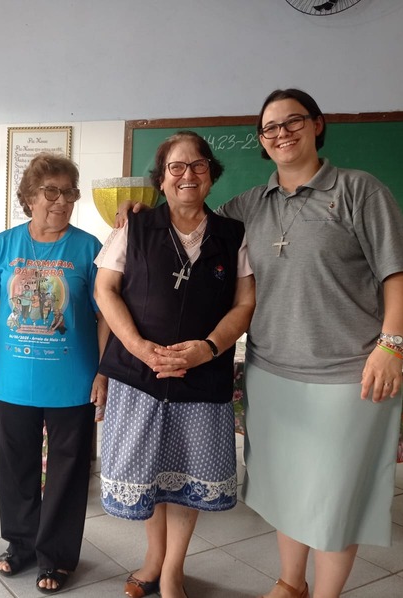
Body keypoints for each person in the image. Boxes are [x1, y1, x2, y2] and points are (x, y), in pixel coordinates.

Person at [119, 89, 403, 598]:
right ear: (261, 139)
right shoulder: (248, 206)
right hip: (271, 370)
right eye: (270, 127)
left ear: (317, 124)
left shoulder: (358, 190)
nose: (282, 133)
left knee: (335, 497)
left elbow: (400, 271)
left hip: (347, 373)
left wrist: (390, 346)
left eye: (293, 121)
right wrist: (142, 209)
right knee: (285, 489)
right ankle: (290, 582)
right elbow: (189, 216)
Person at [96, 131, 255, 598]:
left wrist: (208, 347)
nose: (188, 175)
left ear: (211, 175)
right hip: (139, 376)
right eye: (176, 167)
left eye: (198, 165)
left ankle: (172, 572)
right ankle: (152, 560)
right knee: (151, 475)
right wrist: (139, 347)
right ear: (162, 180)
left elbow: (244, 303)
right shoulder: (134, 227)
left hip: (202, 376)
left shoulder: (233, 234)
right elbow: (105, 289)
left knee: (187, 477)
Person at [0, 152, 108, 594]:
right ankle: (21, 544)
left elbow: (105, 317)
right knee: (16, 467)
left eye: (69, 193)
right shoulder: (3, 245)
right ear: (29, 197)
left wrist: (103, 371)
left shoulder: (89, 248)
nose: (62, 201)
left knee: (68, 472)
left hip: (72, 381)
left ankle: (57, 555)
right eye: (51, 192)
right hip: (14, 381)